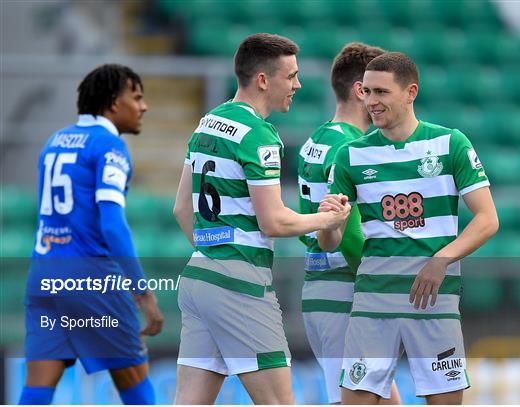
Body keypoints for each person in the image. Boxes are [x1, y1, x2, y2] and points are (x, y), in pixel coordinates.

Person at [173, 33, 351, 405]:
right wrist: (327, 220)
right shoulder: (259, 134)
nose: (298, 85)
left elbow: (181, 210)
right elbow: (274, 222)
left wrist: (215, 252)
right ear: (263, 80)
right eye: (291, 76)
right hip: (240, 284)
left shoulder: (208, 122)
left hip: (199, 275)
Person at [317, 52, 499, 405]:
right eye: (366, 92)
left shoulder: (450, 144)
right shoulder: (350, 155)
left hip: (433, 299)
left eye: (382, 92)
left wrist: (440, 260)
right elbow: (330, 242)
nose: (371, 101)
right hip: (373, 300)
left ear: (410, 92)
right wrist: (329, 223)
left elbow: (488, 219)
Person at [19, 64, 163, 405]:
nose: (143, 107)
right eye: (137, 97)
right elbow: (112, 223)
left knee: (37, 388)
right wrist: (143, 292)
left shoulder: (54, 141)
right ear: (114, 103)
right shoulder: (109, 146)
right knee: (136, 385)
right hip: (91, 278)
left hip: (43, 276)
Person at [298, 42, 401, 405]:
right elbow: (352, 235)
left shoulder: (315, 141)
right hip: (345, 294)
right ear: (361, 90)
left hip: (321, 287)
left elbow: (309, 226)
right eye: (378, 89)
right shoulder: (353, 149)